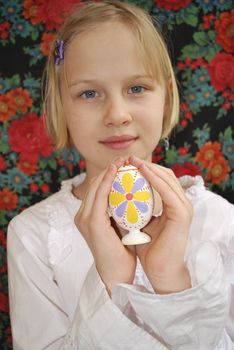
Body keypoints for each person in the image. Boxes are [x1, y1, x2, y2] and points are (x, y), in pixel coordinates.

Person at [7, 1, 234, 349]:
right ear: (61, 108)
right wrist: (109, 282)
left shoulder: (220, 221)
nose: (117, 114)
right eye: (89, 93)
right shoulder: (33, 235)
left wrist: (171, 280)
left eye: (137, 88)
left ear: (167, 97)